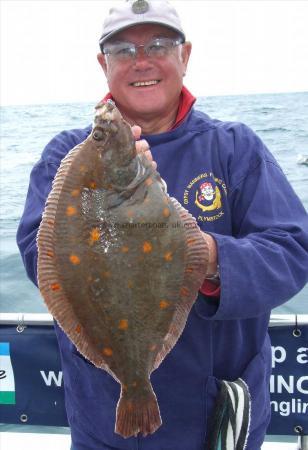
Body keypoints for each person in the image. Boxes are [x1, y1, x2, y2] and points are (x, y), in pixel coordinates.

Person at [17, 1, 308, 449]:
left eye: (158, 44)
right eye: (122, 50)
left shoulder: (236, 148)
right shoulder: (65, 158)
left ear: (184, 57)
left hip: (216, 422)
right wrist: (105, 204)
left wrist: (208, 258)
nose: (142, 61)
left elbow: (293, 251)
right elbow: (41, 254)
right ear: (103, 65)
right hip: (103, 422)